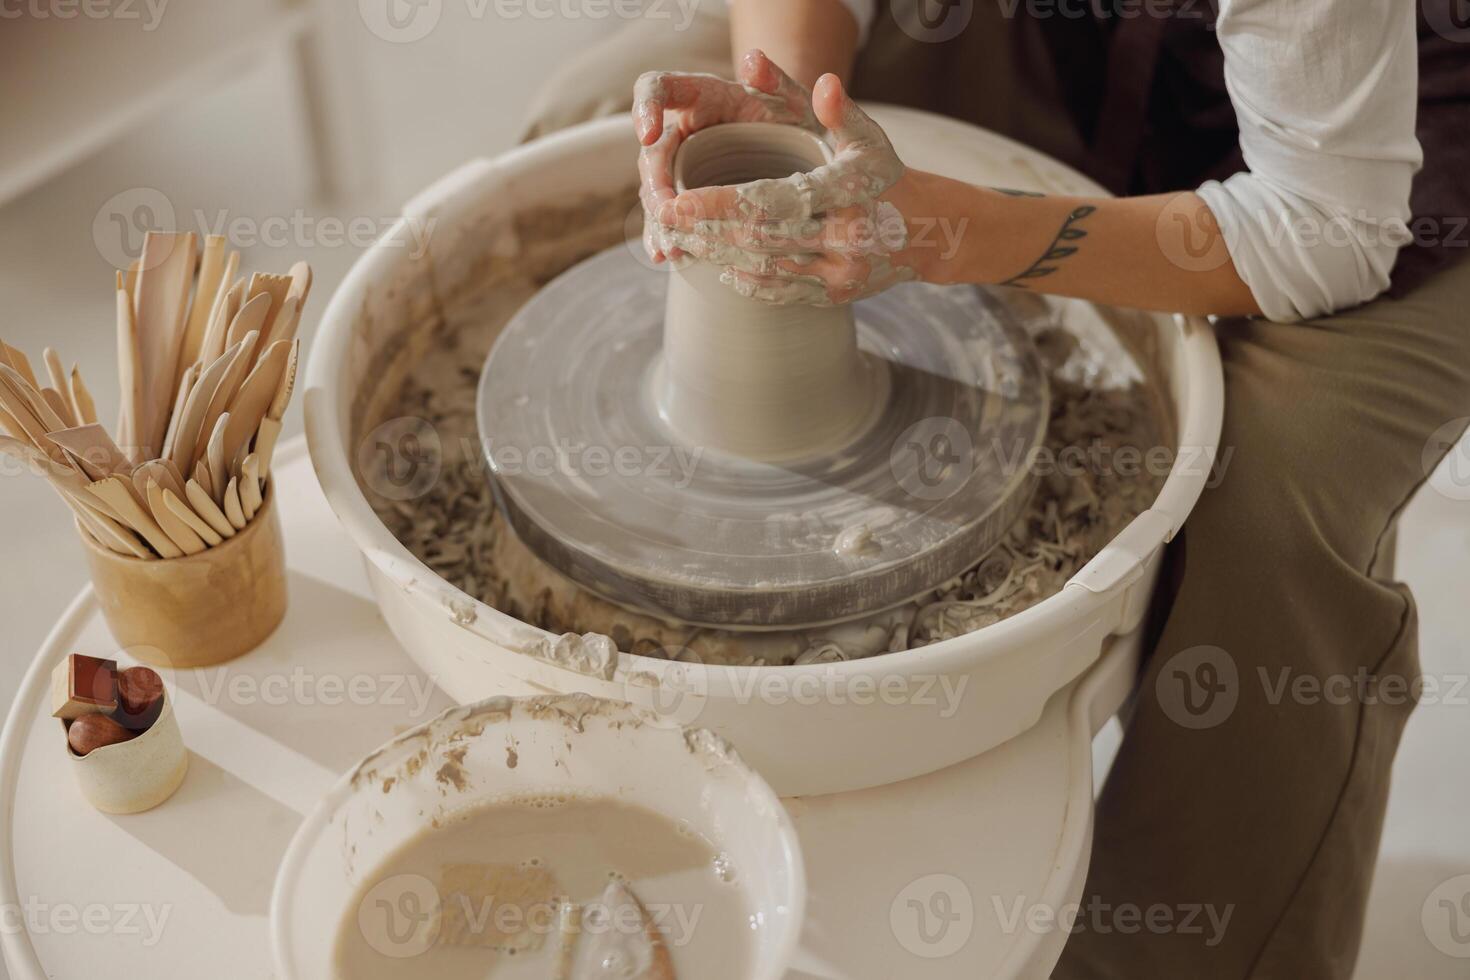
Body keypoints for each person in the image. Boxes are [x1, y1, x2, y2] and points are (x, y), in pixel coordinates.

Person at [526, 1, 1470, 976]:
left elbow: (1328, 226)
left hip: (1387, 172)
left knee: (1268, 516)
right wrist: (794, 127)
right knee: (590, 119)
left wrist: (948, 231)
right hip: (1063, 38)